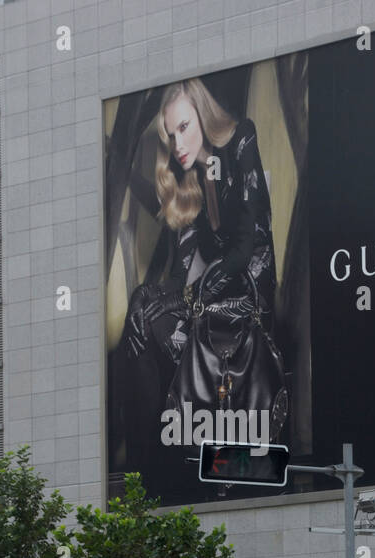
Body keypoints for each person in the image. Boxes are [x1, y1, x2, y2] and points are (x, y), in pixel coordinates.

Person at [122, 78, 284, 438]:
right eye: (171, 135)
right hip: (211, 296)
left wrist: (184, 297)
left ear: (203, 115)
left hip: (248, 300)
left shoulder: (242, 139)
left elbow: (244, 252)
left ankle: (170, 448)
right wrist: (144, 297)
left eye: (184, 127)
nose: (178, 144)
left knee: (164, 321)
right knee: (143, 324)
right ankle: (152, 460)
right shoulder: (190, 177)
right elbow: (181, 277)